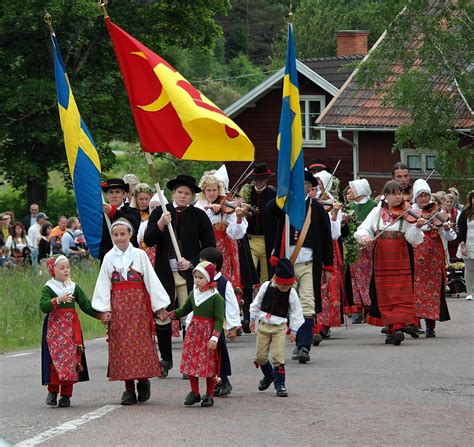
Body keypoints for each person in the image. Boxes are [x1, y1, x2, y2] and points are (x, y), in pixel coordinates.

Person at [144, 174, 216, 378]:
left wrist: (192, 262)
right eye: (179, 192)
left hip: (189, 274)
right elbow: (148, 241)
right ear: (172, 193)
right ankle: (166, 359)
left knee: (189, 317)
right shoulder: (161, 212)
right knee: (163, 315)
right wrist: (159, 224)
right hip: (164, 272)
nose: (183, 196)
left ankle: (189, 359)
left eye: (187, 193)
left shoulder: (199, 216)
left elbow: (210, 246)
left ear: (192, 196)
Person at [92, 220, 170, 405]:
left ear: (130, 235)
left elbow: (151, 279)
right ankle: (128, 389)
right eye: (116, 235)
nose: (119, 238)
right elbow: (104, 284)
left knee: (140, 344)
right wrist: (104, 310)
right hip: (119, 309)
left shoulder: (140, 255)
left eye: (122, 234)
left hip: (138, 308)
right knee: (122, 347)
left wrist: (159, 307)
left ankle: (142, 380)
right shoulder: (109, 258)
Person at [271, 170, 334, 364]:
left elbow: (326, 240)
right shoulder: (285, 206)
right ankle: (292, 341)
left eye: (302, 184)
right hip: (287, 265)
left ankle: (304, 346)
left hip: (308, 264)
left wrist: (328, 267)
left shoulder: (317, 209)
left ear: (309, 187)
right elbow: (268, 210)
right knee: (287, 306)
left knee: (307, 304)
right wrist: (282, 195)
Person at [354, 180, 425, 345]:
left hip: (400, 255)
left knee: (401, 291)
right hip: (382, 257)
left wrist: (417, 227)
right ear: (386, 196)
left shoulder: (407, 213)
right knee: (385, 292)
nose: (398, 197)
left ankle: (398, 326)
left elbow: (412, 239)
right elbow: (363, 229)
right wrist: (364, 237)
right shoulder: (376, 212)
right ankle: (391, 326)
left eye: (400, 193)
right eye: (394, 194)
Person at [40, 255, 106, 407]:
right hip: (54, 329)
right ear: (53, 270)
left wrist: (99, 315)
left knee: (71, 360)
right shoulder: (49, 288)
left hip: (71, 329)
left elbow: (86, 305)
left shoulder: (73, 287)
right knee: (54, 360)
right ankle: (52, 391)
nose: (66, 270)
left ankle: (66, 395)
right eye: (62, 268)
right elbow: (43, 306)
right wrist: (56, 300)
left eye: (67, 267)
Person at [168, 261, 225, 408]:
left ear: (209, 279)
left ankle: (209, 394)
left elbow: (219, 320)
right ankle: (195, 392)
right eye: (196, 277)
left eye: (201, 277)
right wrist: (170, 315)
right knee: (192, 362)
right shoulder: (194, 294)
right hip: (194, 333)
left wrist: (214, 337)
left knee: (208, 364)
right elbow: (185, 309)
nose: (197, 280)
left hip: (207, 334)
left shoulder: (216, 297)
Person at [249, 258, 304, 397]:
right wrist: (252, 319)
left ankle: (280, 384)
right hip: (264, 326)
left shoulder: (291, 293)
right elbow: (256, 304)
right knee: (260, 357)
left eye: (287, 286)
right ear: (275, 279)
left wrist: (295, 330)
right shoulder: (266, 286)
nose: (284, 289)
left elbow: (296, 312)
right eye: (282, 285)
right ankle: (269, 375)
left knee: (278, 357)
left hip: (279, 327)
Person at [411, 179, 455, 337]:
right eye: (420, 195)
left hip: (434, 258)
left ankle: (431, 326)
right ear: (415, 198)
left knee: (433, 291)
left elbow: (451, 237)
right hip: (417, 255)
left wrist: (446, 228)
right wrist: (419, 225)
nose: (423, 198)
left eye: (426, 195)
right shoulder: (411, 212)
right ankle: (415, 324)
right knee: (415, 289)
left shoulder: (438, 213)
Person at [195, 171, 247, 298]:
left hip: (225, 248)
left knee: (226, 277)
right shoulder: (198, 207)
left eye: (214, 190)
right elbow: (199, 228)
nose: (212, 193)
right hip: (206, 248)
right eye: (209, 190)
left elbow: (236, 234)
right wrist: (212, 214)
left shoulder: (225, 205)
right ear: (203, 191)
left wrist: (239, 218)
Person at [198, 247, 241, 398]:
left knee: (219, 354)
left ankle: (224, 381)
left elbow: (231, 304)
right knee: (207, 355)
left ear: (213, 266)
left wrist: (232, 326)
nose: (199, 267)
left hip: (216, 326)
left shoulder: (223, 283)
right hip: (202, 326)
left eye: (203, 263)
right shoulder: (199, 282)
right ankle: (213, 382)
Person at [344, 179, 377, 323]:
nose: (350, 192)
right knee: (354, 278)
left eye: (353, 189)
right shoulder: (349, 206)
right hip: (354, 248)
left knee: (368, 276)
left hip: (369, 247)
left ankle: (370, 305)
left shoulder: (374, 206)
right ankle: (358, 307)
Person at [240, 162, 277, 284]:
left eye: (262, 179)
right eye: (256, 179)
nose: (259, 182)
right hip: (251, 240)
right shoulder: (246, 193)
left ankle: (263, 301)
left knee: (266, 278)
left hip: (268, 240)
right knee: (250, 272)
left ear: (266, 179)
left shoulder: (274, 195)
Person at [99, 178, 141, 262]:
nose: (114, 195)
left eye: (117, 192)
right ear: (106, 195)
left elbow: (132, 224)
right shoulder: (100, 215)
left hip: (130, 259)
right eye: (111, 192)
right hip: (108, 259)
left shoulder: (133, 212)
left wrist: (113, 212)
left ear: (124, 194)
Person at [457, 190, 474, 300]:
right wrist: (462, 245)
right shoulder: (465, 213)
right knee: (469, 269)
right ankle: (469, 292)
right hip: (468, 244)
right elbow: (461, 230)